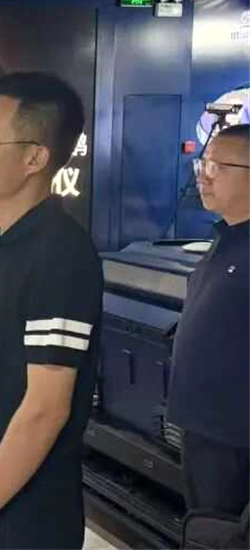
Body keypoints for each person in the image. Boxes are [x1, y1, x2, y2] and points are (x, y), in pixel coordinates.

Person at [0, 73, 102, 550]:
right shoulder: (10, 242)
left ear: (34, 158)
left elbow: (45, 408)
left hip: (28, 514)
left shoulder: (59, 254)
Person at [168, 124, 249, 520]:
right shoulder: (226, 238)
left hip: (235, 438)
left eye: (218, 167)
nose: (203, 175)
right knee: (206, 529)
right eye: (202, 163)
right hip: (203, 430)